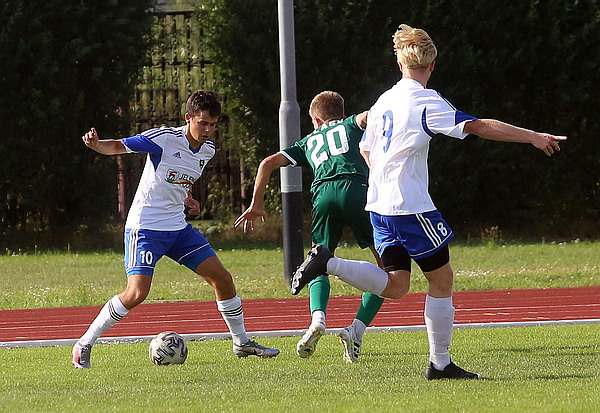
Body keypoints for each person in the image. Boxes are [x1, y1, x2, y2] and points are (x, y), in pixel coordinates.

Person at [291, 24, 567, 379]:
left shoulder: (383, 100)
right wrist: (533, 136)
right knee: (442, 280)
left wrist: (386, 176)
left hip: (379, 206)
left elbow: (365, 148)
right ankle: (439, 363)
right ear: (432, 65)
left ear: (400, 64)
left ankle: (330, 264)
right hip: (410, 207)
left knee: (397, 285)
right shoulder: (426, 100)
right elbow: (479, 126)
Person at [72, 90, 279, 369]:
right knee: (136, 293)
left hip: (178, 229)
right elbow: (118, 146)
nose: (208, 130)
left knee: (223, 279)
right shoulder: (164, 138)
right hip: (145, 228)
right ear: (188, 118)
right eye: (202, 123)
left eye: (213, 125)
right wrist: (97, 145)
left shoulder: (207, 150)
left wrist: (186, 197)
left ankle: (241, 342)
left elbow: (178, 179)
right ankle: (84, 344)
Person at [234, 91, 384, 363]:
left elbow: (267, 163)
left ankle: (318, 319)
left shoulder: (309, 140)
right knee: (388, 268)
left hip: (323, 196)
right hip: (356, 190)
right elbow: (369, 116)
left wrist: (256, 204)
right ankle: (356, 330)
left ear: (315, 120)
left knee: (318, 261)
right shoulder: (350, 123)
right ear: (341, 113)